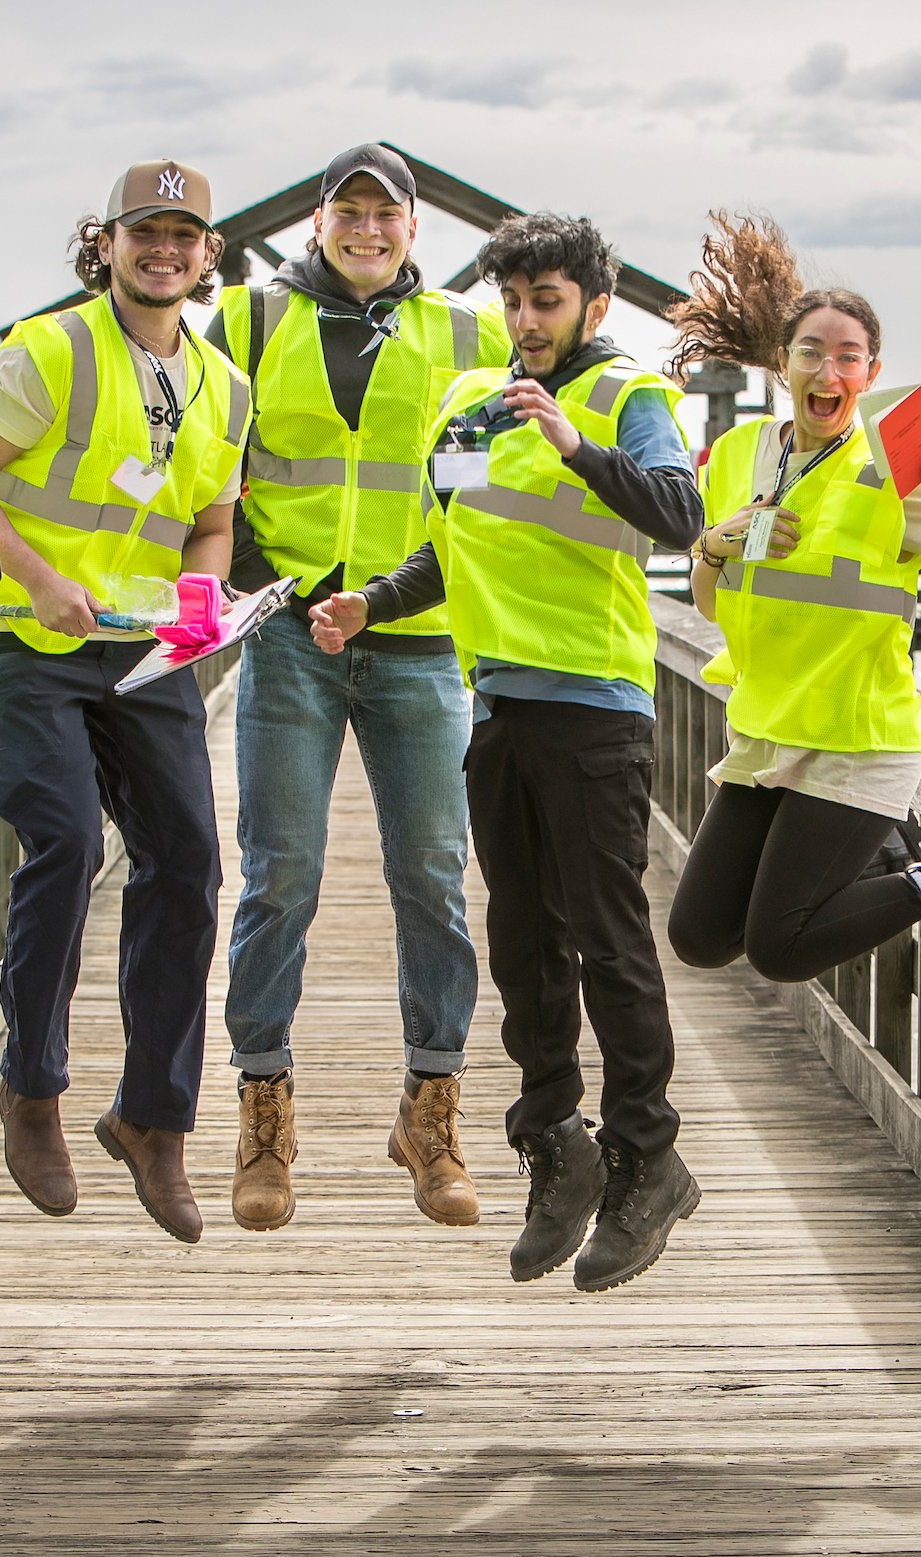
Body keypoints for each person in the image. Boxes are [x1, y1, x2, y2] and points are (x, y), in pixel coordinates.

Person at [310, 213, 704, 1293]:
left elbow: (680, 510)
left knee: (609, 941)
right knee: (522, 939)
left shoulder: (629, 396)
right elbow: (452, 543)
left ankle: (647, 1158)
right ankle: (554, 1143)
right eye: (513, 301)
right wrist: (372, 603)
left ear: (594, 304)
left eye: (548, 301)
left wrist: (576, 443)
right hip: (498, 706)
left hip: (596, 709)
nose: (527, 322)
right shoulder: (468, 401)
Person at [657, 213, 921, 1006]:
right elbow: (712, 605)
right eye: (812, 352)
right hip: (767, 728)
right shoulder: (741, 455)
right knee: (698, 934)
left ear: (871, 370)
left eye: (847, 357)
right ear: (780, 362)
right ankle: (897, 856)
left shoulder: (893, 470)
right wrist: (716, 545)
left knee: (782, 947)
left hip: (860, 737)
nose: (829, 371)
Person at [0, 160, 251, 1246]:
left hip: (137, 647)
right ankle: (33, 1088)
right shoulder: (49, 349)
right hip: (16, 637)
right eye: (144, 232)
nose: (165, 249)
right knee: (66, 839)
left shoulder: (222, 383)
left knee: (191, 859)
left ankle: (153, 1120)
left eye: (185, 234)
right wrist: (32, 576)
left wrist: (203, 600)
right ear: (106, 242)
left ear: (208, 255)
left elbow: (210, 521)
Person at [203, 143, 509, 1233]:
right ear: (319, 222)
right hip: (289, 634)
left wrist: (380, 599)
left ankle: (431, 1112)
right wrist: (262, 588)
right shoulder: (244, 322)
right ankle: (263, 1113)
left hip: (420, 635)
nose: (368, 228)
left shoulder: (474, 334)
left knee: (431, 872)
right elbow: (207, 476)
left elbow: (485, 490)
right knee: (279, 870)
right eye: (349, 210)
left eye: (388, 213)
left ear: (416, 229)